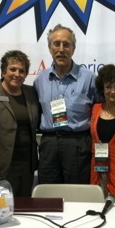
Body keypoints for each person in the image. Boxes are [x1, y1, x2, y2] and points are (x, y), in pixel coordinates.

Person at [33, 24, 97, 184]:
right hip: (49, 143)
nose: (61, 49)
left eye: (66, 44)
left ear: (73, 49)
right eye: (56, 44)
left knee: (77, 194)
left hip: (78, 143)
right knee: (47, 194)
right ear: (49, 48)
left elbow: (100, 112)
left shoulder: (89, 78)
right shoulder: (40, 80)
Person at [0, 50, 39, 197]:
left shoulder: (31, 93)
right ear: (3, 72)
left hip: (27, 166)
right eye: (12, 69)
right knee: (0, 211)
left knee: (24, 209)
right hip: (0, 167)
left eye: (22, 71)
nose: (17, 74)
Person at [90, 64, 115, 202]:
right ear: (102, 89)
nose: (112, 91)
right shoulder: (95, 109)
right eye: (108, 86)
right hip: (96, 171)